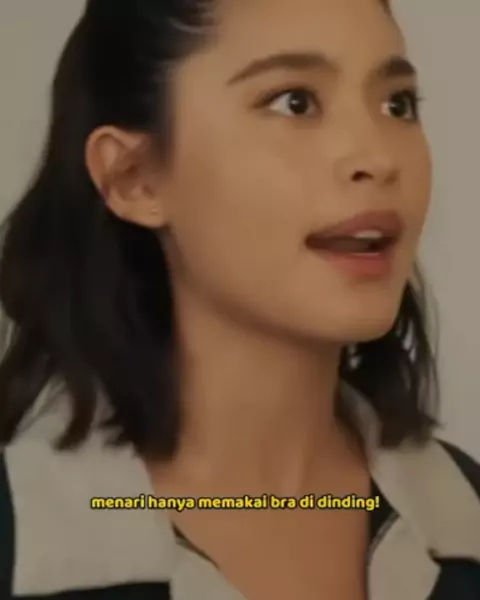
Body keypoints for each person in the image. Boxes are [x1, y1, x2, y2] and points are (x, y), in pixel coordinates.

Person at [0, 0, 479, 598]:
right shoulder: (21, 538)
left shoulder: (466, 514)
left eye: (397, 104)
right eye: (295, 102)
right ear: (134, 177)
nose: (378, 158)